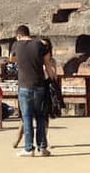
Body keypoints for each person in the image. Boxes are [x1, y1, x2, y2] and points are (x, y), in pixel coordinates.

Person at [10, 25, 56, 157]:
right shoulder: (41, 45)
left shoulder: (16, 45)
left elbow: (11, 59)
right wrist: (53, 82)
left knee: (27, 117)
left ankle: (29, 148)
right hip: (40, 85)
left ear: (19, 35)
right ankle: (42, 148)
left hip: (24, 85)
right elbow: (48, 65)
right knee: (41, 117)